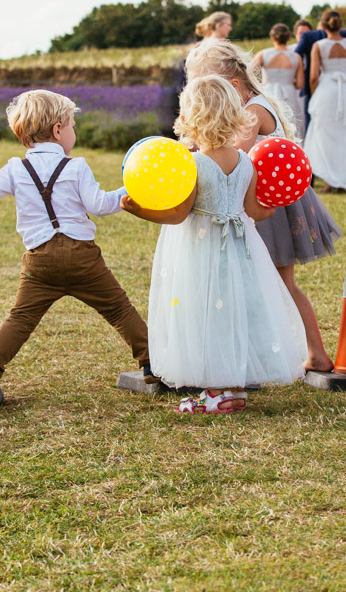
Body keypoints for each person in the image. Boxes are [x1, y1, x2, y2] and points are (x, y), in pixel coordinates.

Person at [0, 90, 153, 393]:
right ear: (58, 129)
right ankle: (152, 363)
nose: (73, 131)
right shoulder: (77, 166)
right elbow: (99, 205)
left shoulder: (17, 169)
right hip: (83, 258)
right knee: (119, 309)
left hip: (39, 261)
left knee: (20, 318)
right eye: (71, 125)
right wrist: (136, 185)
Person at [122, 76, 307, 413]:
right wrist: (274, 205)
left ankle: (216, 393)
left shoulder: (192, 164)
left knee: (205, 312)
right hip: (240, 248)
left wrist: (139, 210)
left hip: (201, 249)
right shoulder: (245, 161)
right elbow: (253, 211)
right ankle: (234, 389)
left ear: (191, 115)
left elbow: (178, 215)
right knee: (235, 310)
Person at [189, 40, 341, 372]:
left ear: (232, 85)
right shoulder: (250, 104)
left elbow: (232, 155)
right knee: (272, 283)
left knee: (277, 283)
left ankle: (309, 353)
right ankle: (307, 353)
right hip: (259, 198)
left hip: (266, 205)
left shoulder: (253, 110)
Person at [303, 10, 346, 191]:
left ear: (323, 26)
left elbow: (313, 76)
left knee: (326, 135)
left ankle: (331, 180)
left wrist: (316, 95)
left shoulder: (318, 46)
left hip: (327, 90)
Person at [253, 23, 307, 137]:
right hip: (290, 94)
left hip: (268, 92)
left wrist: (260, 84)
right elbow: (300, 84)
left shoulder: (263, 54)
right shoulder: (296, 56)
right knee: (292, 125)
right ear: (288, 38)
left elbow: (248, 74)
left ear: (272, 37)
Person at [295, 16, 345, 118]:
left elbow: (313, 77)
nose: (302, 36)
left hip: (318, 85)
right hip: (303, 88)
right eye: (300, 33)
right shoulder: (293, 51)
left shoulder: (317, 45)